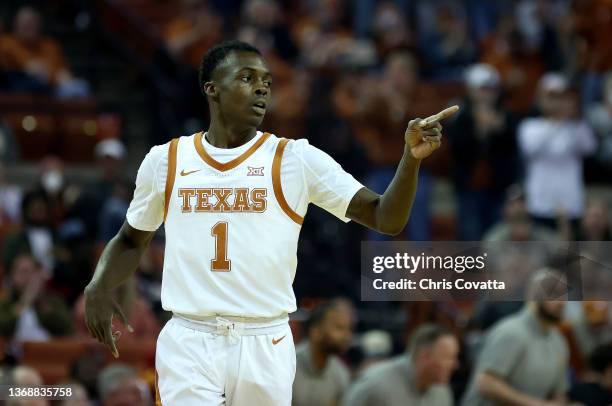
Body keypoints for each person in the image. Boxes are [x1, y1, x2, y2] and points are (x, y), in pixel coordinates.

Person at [84, 40, 458, 405]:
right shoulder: (166, 160)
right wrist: (100, 284)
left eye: (265, 80)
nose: (261, 87)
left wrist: (410, 160)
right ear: (212, 89)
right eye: (246, 78)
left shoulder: (295, 158)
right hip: (190, 337)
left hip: (266, 339)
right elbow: (133, 239)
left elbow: (384, 217)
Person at [461, 269, 570, 406]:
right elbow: (485, 383)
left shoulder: (559, 343)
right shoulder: (511, 332)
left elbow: (558, 394)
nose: (562, 302)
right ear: (533, 295)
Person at [341, 323, 458, 406]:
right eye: (448, 358)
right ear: (425, 356)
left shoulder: (442, 392)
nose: (455, 365)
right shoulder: (375, 387)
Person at [292, 300, 354, 406]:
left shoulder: (341, 373)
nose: (347, 336)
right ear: (316, 332)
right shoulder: (289, 365)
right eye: (339, 328)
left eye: (349, 329)